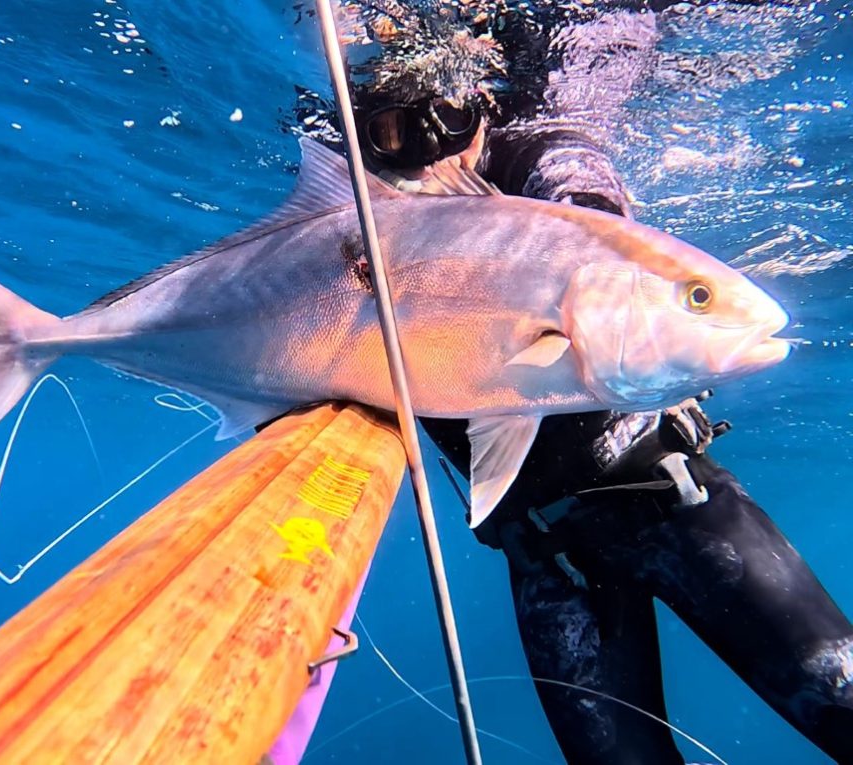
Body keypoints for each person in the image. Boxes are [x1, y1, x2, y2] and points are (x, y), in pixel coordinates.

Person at [317, 1, 853, 762]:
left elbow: (581, 189)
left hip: (674, 506)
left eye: (452, 120)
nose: (432, 154)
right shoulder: (357, 228)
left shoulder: (535, 151)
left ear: (484, 108)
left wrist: (587, 243)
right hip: (546, 556)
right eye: (397, 134)